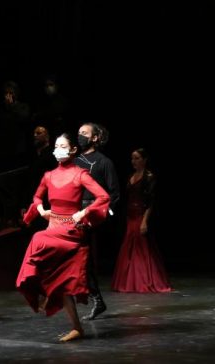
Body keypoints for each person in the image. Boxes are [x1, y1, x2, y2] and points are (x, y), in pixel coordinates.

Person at [18, 133, 110, 342]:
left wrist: (83, 212)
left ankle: (45, 296)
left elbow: (103, 197)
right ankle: (76, 327)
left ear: (73, 150)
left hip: (71, 231)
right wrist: (41, 210)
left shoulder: (80, 174)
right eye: (56, 146)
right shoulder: (49, 175)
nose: (58, 149)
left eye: (62, 146)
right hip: (54, 226)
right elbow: (36, 197)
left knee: (38, 239)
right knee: (61, 283)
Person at [74, 122, 120, 320]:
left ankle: (95, 298)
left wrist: (99, 213)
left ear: (94, 138)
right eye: (79, 133)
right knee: (77, 258)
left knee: (83, 257)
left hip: (91, 213)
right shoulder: (75, 161)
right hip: (73, 212)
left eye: (84, 133)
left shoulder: (104, 162)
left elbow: (114, 193)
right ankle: (93, 298)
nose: (80, 136)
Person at [111, 148, 171, 293]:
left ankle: (143, 280)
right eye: (132, 158)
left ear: (144, 160)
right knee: (129, 248)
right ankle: (128, 282)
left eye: (137, 158)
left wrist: (144, 221)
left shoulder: (149, 177)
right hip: (130, 215)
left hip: (140, 215)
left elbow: (151, 202)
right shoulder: (131, 176)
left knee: (142, 248)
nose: (134, 161)